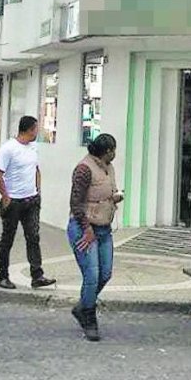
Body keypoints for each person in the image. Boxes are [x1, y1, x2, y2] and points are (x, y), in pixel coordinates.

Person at [68, 133, 122, 341]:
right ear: (106, 151)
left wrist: (114, 198)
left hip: (104, 228)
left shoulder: (109, 168)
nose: (115, 154)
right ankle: (89, 317)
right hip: (85, 229)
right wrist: (86, 228)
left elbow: (105, 193)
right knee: (92, 275)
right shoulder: (84, 169)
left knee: (105, 273)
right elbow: (76, 203)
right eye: (113, 150)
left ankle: (82, 306)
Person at [0, 116, 56, 290]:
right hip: (14, 201)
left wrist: (38, 191)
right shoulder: (9, 148)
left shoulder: (33, 148)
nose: (37, 132)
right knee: (8, 238)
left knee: (33, 237)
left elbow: (36, 169)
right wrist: (5, 196)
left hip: (31, 200)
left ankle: (37, 275)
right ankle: (3, 275)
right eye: (36, 129)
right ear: (29, 130)